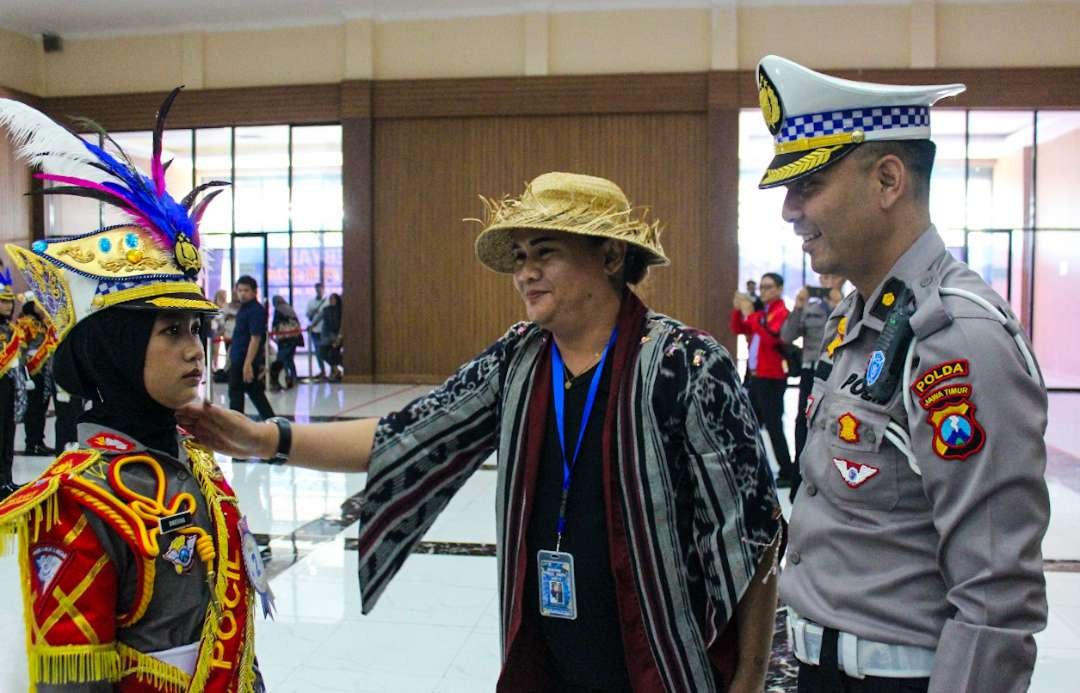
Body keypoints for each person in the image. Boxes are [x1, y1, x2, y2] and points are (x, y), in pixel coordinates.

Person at [180, 172, 783, 692]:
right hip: (547, 661)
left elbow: (754, 535)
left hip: (664, 664)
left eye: (544, 252)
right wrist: (269, 440)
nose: (526, 272)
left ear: (610, 257)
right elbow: (407, 435)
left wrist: (750, 678)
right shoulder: (517, 360)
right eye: (519, 257)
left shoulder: (688, 365)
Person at [755, 55, 1049, 692]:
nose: (789, 210)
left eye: (807, 184)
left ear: (888, 180)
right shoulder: (861, 315)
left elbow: (996, 599)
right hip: (821, 667)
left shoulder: (958, 339)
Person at [0, 88, 265, 691]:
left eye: (196, 328)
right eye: (171, 331)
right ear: (114, 352)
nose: (196, 348)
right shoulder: (76, 504)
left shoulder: (191, 456)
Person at [780, 273, 846, 499]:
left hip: (839, 371)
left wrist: (840, 308)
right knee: (804, 422)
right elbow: (787, 336)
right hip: (811, 371)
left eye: (832, 278)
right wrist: (798, 307)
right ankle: (798, 483)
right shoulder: (811, 308)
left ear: (842, 279)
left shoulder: (853, 306)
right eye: (823, 278)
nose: (827, 282)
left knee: (835, 422)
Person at [730, 273, 794, 486]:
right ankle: (754, 468)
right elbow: (738, 328)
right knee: (749, 423)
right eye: (762, 287)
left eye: (768, 287)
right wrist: (739, 309)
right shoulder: (762, 313)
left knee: (774, 425)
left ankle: (787, 470)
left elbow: (769, 338)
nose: (763, 291)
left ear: (778, 289)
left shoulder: (781, 312)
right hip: (757, 376)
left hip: (772, 377)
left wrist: (750, 315)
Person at [228, 276, 275, 421]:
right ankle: (272, 421)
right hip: (239, 357)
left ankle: (236, 424)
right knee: (254, 391)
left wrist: (248, 363)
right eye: (240, 290)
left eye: (246, 290)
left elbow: (256, 338)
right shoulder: (244, 308)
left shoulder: (256, 310)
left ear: (255, 292)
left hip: (245, 359)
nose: (242, 293)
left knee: (236, 392)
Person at [18, 296, 58, 456]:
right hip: (31, 372)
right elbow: (21, 348)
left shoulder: (44, 323)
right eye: (39, 304)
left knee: (41, 407)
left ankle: (38, 441)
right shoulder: (25, 322)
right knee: (33, 409)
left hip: (44, 371)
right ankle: (32, 443)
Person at [0, 270, 22, 500]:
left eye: (9, 301)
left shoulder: (10, 328)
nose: (8, 306)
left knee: (9, 431)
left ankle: (6, 479)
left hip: (8, 384)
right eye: (3, 302)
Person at [270, 294, 303, 390]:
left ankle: (285, 379)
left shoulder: (279, 310)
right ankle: (292, 378)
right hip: (293, 337)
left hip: (285, 338)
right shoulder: (289, 308)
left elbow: (275, 324)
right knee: (289, 359)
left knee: (283, 359)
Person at [305, 282, 328, 379]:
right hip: (314, 331)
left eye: (320, 289)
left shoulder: (327, 302)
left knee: (325, 351)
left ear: (323, 289)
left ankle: (333, 370)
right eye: (317, 289)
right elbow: (308, 314)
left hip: (324, 330)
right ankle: (322, 371)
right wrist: (312, 312)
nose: (319, 291)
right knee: (318, 352)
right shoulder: (311, 302)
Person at [318, 293, 342, 381]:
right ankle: (336, 370)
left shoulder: (341, 310)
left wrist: (339, 337)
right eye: (330, 299)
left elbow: (342, 324)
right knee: (322, 352)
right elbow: (318, 317)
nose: (331, 300)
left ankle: (335, 374)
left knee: (334, 354)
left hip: (337, 336)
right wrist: (312, 325)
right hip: (326, 335)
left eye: (333, 299)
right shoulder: (326, 309)